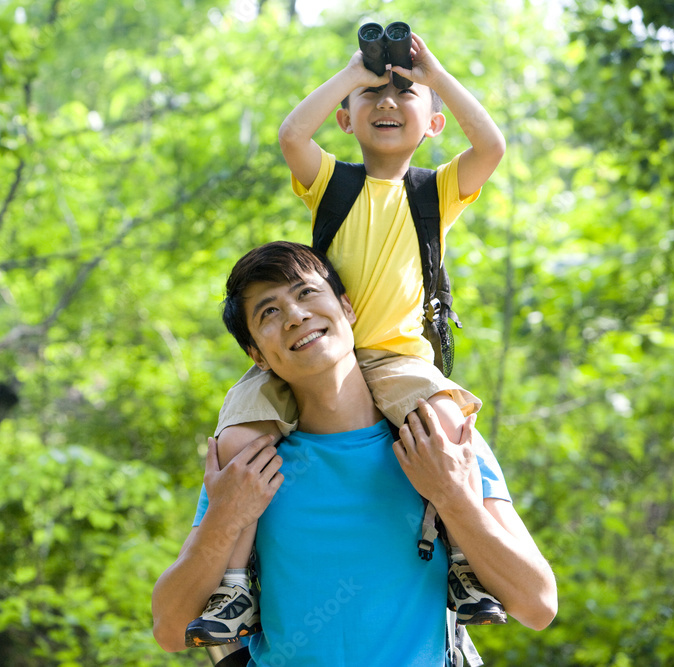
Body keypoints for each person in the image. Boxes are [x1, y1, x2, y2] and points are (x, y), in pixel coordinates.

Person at [185, 31, 510, 645]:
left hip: (396, 357)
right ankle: (233, 589)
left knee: (444, 425)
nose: (387, 103)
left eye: (404, 94)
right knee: (238, 438)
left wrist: (434, 73)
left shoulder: (433, 193)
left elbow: (491, 144)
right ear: (347, 116)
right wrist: (353, 72)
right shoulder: (333, 183)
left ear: (434, 121)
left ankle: (466, 564)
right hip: (310, 350)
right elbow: (290, 136)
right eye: (371, 97)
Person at [151, 242, 556, 665]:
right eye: (268, 312)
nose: (295, 315)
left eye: (306, 292)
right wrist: (224, 517)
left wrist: (453, 496)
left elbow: (537, 605)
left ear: (346, 308)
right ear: (256, 355)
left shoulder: (440, 444)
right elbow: (170, 629)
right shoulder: (250, 465)